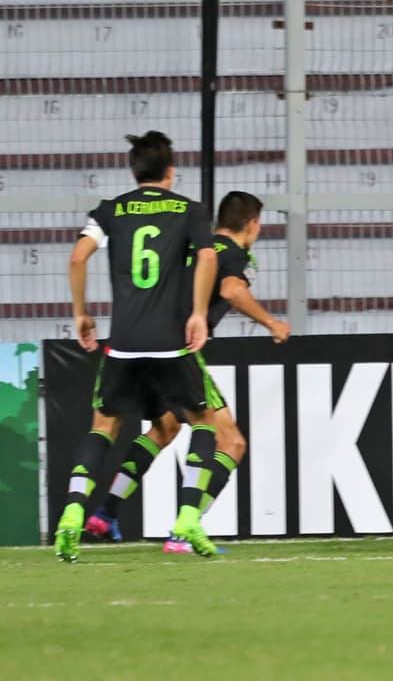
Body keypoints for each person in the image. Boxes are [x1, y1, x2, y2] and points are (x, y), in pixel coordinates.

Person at [83, 191, 290, 551]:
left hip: (139, 345)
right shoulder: (234, 254)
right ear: (253, 223)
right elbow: (232, 289)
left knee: (165, 428)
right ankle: (184, 529)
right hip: (175, 354)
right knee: (231, 442)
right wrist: (272, 323)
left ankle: (105, 513)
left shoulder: (198, 246)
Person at [55, 131, 223, 560]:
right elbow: (207, 257)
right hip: (170, 342)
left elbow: (77, 257)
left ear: (134, 171)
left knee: (104, 427)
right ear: (171, 172)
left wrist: (80, 313)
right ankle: (187, 517)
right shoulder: (191, 210)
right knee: (204, 422)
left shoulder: (110, 210)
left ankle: (73, 513)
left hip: (124, 344)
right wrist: (199, 313)